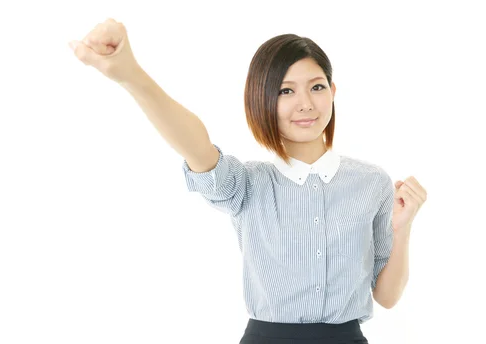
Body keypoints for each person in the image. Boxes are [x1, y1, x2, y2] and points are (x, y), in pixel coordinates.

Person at [68, 18, 428, 344]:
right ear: (264, 99)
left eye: (316, 87)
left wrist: (403, 227)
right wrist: (131, 75)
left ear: (332, 92)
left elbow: (387, 296)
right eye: (286, 91)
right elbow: (198, 147)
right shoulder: (249, 184)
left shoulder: (371, 183)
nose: (305, 103)